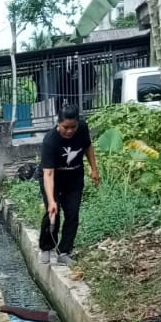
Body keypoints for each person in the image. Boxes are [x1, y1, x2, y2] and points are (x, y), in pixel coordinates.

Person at [38, 101, 100, 266]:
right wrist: (51, 200)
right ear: (58, 124)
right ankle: (46, 247)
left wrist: (94, 169)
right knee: (53, 212)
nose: (70, 131)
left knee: (72, 213)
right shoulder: (50, 141)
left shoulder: (82, 129)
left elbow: (88, 147)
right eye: (66, 127)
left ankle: (64, 251)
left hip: (74, 178)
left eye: (73, 126)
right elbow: (48, 174)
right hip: (53, 180)